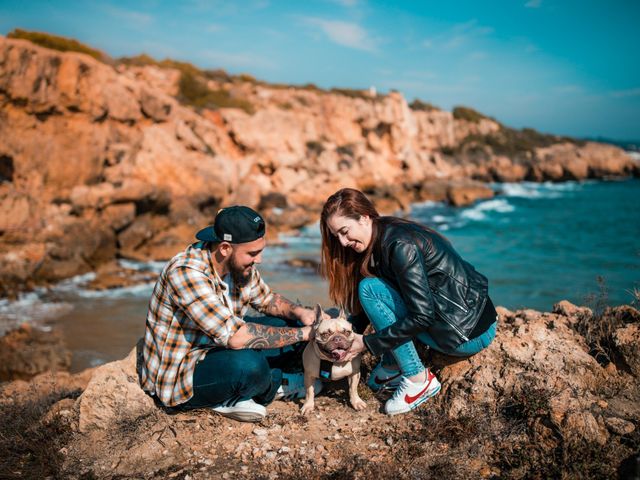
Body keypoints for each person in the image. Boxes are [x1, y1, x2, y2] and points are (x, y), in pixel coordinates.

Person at [319, 188, 498, 415]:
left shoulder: (399, 245)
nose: (343, 243)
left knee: (370, 289)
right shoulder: (382, 233)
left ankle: (418, 380)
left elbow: (422, 315)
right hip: (467, 319)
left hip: (465, 333)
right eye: (337, 236)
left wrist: (368, 343)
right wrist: (343, 336)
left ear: (364, 218)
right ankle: (394, 365)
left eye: (345, 232)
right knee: (372, 289)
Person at [141, 206, 321, 422]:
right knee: (251, 367)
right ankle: (270, 385)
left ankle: (241, 392)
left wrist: (300, 312)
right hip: (182, 372)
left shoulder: (238, 265)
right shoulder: (186, 273)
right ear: (225, 248)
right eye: (253, 253)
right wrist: (306, 334)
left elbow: (267, 300)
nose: (259, 260)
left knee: (288, 324)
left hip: (218, 344)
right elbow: (236, 337)